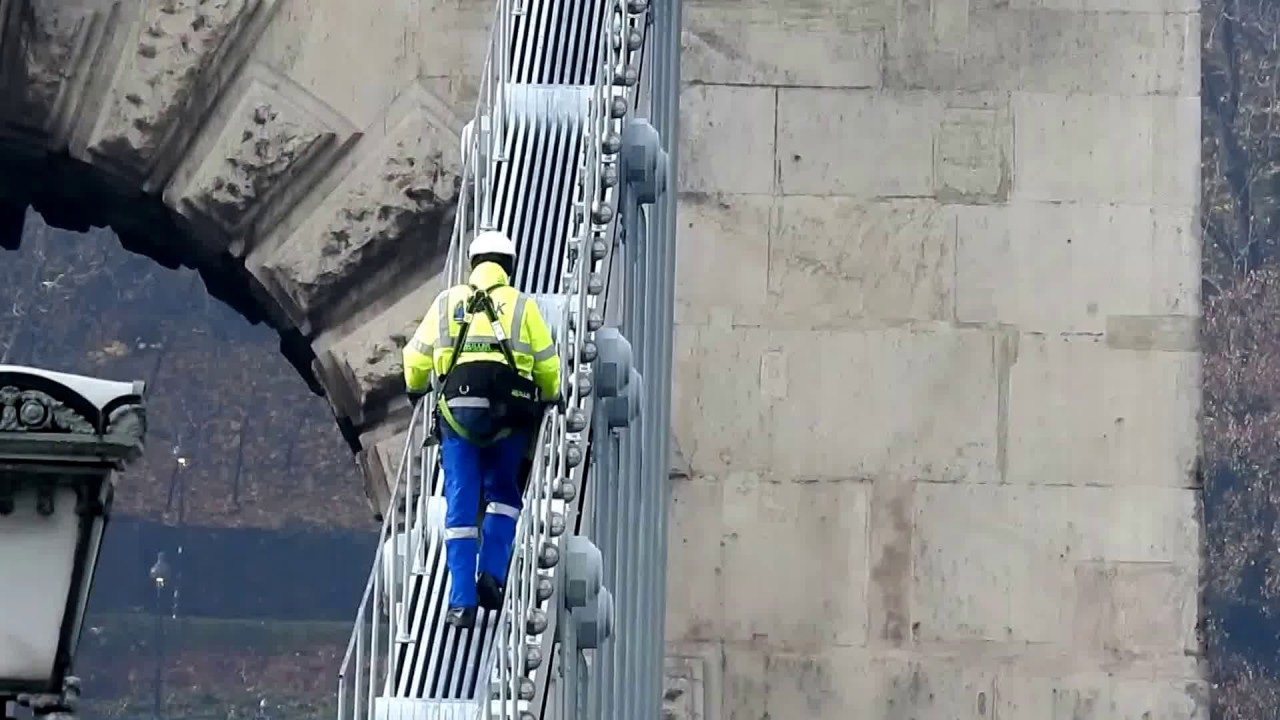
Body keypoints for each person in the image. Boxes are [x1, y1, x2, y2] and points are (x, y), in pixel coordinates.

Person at [402, 229, 561, 629]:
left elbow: (414, 359)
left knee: (459, 506)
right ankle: (493, 573)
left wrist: (416, 388)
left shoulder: (447, 303)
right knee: (504, 494)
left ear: (472, 264)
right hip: (511, 418)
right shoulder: (522, 307)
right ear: (509, 267)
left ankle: (461, 603)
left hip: (458, 419)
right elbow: (548, 366)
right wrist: (551, 395)